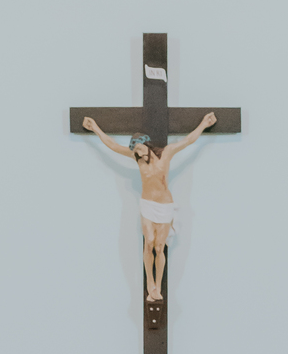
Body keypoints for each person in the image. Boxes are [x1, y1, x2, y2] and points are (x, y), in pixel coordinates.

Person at [81, 112, 217, 302]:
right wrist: (95, 128)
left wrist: (203, 124)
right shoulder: (137, 159)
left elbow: (187, 141)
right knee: (149, 242)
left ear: (146, 144)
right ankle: (149, 283)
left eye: (139, 148)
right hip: (147, 205)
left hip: (165, 206)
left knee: (160, 247)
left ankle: (157, 287)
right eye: (135, 151)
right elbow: (112, 146)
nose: (137, 153)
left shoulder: (166, 154)